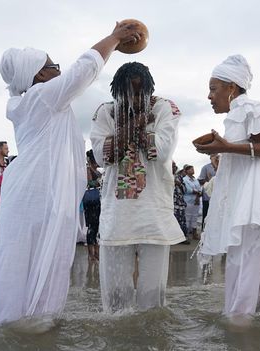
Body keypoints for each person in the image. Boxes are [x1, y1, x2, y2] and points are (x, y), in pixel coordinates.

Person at [0, 22, 142, 327]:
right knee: (43, 259)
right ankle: (34, 326)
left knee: (32, 261)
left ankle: (26, 326)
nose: (58, 68)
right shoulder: (42, 97)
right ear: (39, 75)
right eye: (51, 64)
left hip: (31, 191)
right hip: (38, 191)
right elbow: (84, 70)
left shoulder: (31, 102)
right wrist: (114, 38)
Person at [195, 55, 260, 324]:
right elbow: (251, 155)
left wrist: (226, 147)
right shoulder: (238, 113)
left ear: (232, 88)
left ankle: (239, 328)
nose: (209, 96)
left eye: (214, 89)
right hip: (257, 208)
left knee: (243, 274)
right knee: (259, 279)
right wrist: (223, 156)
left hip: (254, 209)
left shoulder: (249, 108)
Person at [90, 61, 185, 312]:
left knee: (152, 301)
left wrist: (127, 129)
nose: (134, 98)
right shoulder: (105, 112)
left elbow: (160, 151)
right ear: (116, 92)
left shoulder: (166, 108)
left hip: (153, 213)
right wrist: (138, 122)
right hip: (116, 215)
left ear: (150, 90)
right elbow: (102, 156)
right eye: (127, 93)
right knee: (115, 302)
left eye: (140, 92)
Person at [83, 150, 101, 262]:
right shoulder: (88, 169)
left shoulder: (95, 169)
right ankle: (92, 254)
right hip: (91, 201)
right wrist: (99, 181)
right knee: (92, 228)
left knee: (96, 227)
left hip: (94, 201)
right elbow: (90, 183)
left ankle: (96, 253)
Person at [198, 154, 219, 230]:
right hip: (208, 195)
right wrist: (210, 181)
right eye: (214, 156)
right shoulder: (205, 167)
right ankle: (204, 231)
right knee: (206, 213)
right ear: (210, 158)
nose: (216, 157)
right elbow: (201, 180)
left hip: (219, 194)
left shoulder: (222, 166)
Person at [182, 165, 202, 241]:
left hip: (196, 200)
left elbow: (199, 188)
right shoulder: (185, 179)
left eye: (193, 168)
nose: (193, 170)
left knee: (195, 217)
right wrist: (197, 192)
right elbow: (188, 189)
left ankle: (194, 233)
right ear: (186, 171)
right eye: (191, 169)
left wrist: (198, 194)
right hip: (188, 200)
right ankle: (186, 234)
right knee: (187, 217)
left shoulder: (195, 179)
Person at [172, 162, 188, 239]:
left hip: (180, 202)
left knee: (181, 219)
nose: (174, 168)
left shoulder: (179, 177)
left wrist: (179, 184)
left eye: (175, 166)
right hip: (171, 202)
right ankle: (174, 237)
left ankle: (181, 236)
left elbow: (185, 189)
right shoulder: (166, 175)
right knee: (173, 220)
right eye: (173, 166)